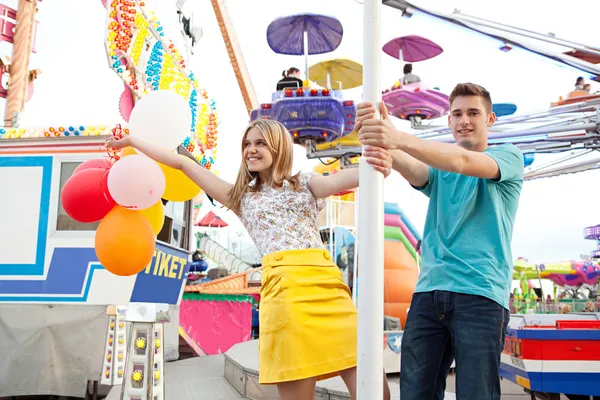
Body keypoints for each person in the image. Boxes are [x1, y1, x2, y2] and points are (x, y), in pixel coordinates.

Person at [107, 119, 392, 400]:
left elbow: (353, 177)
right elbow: (183, 164)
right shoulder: (240, 196)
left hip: (328, 290)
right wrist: (133, 142)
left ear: (278, 147)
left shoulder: (304, 183)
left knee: (376, 389)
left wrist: (383, 157)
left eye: (259, 143)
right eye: (247, 144)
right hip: (286, 295)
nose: (250, 150)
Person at [356, 83, 524, 400]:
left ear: (490, 119)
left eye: (473, 113)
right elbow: (417, 170)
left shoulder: (507, 157)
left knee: (476, 393)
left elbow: (463, 162)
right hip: (429, 292)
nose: (464, 120)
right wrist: (378, 135)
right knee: (415, 393)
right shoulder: (440, 168)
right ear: (448, 120)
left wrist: (398, 139)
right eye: (457, 113)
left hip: (481, 293)